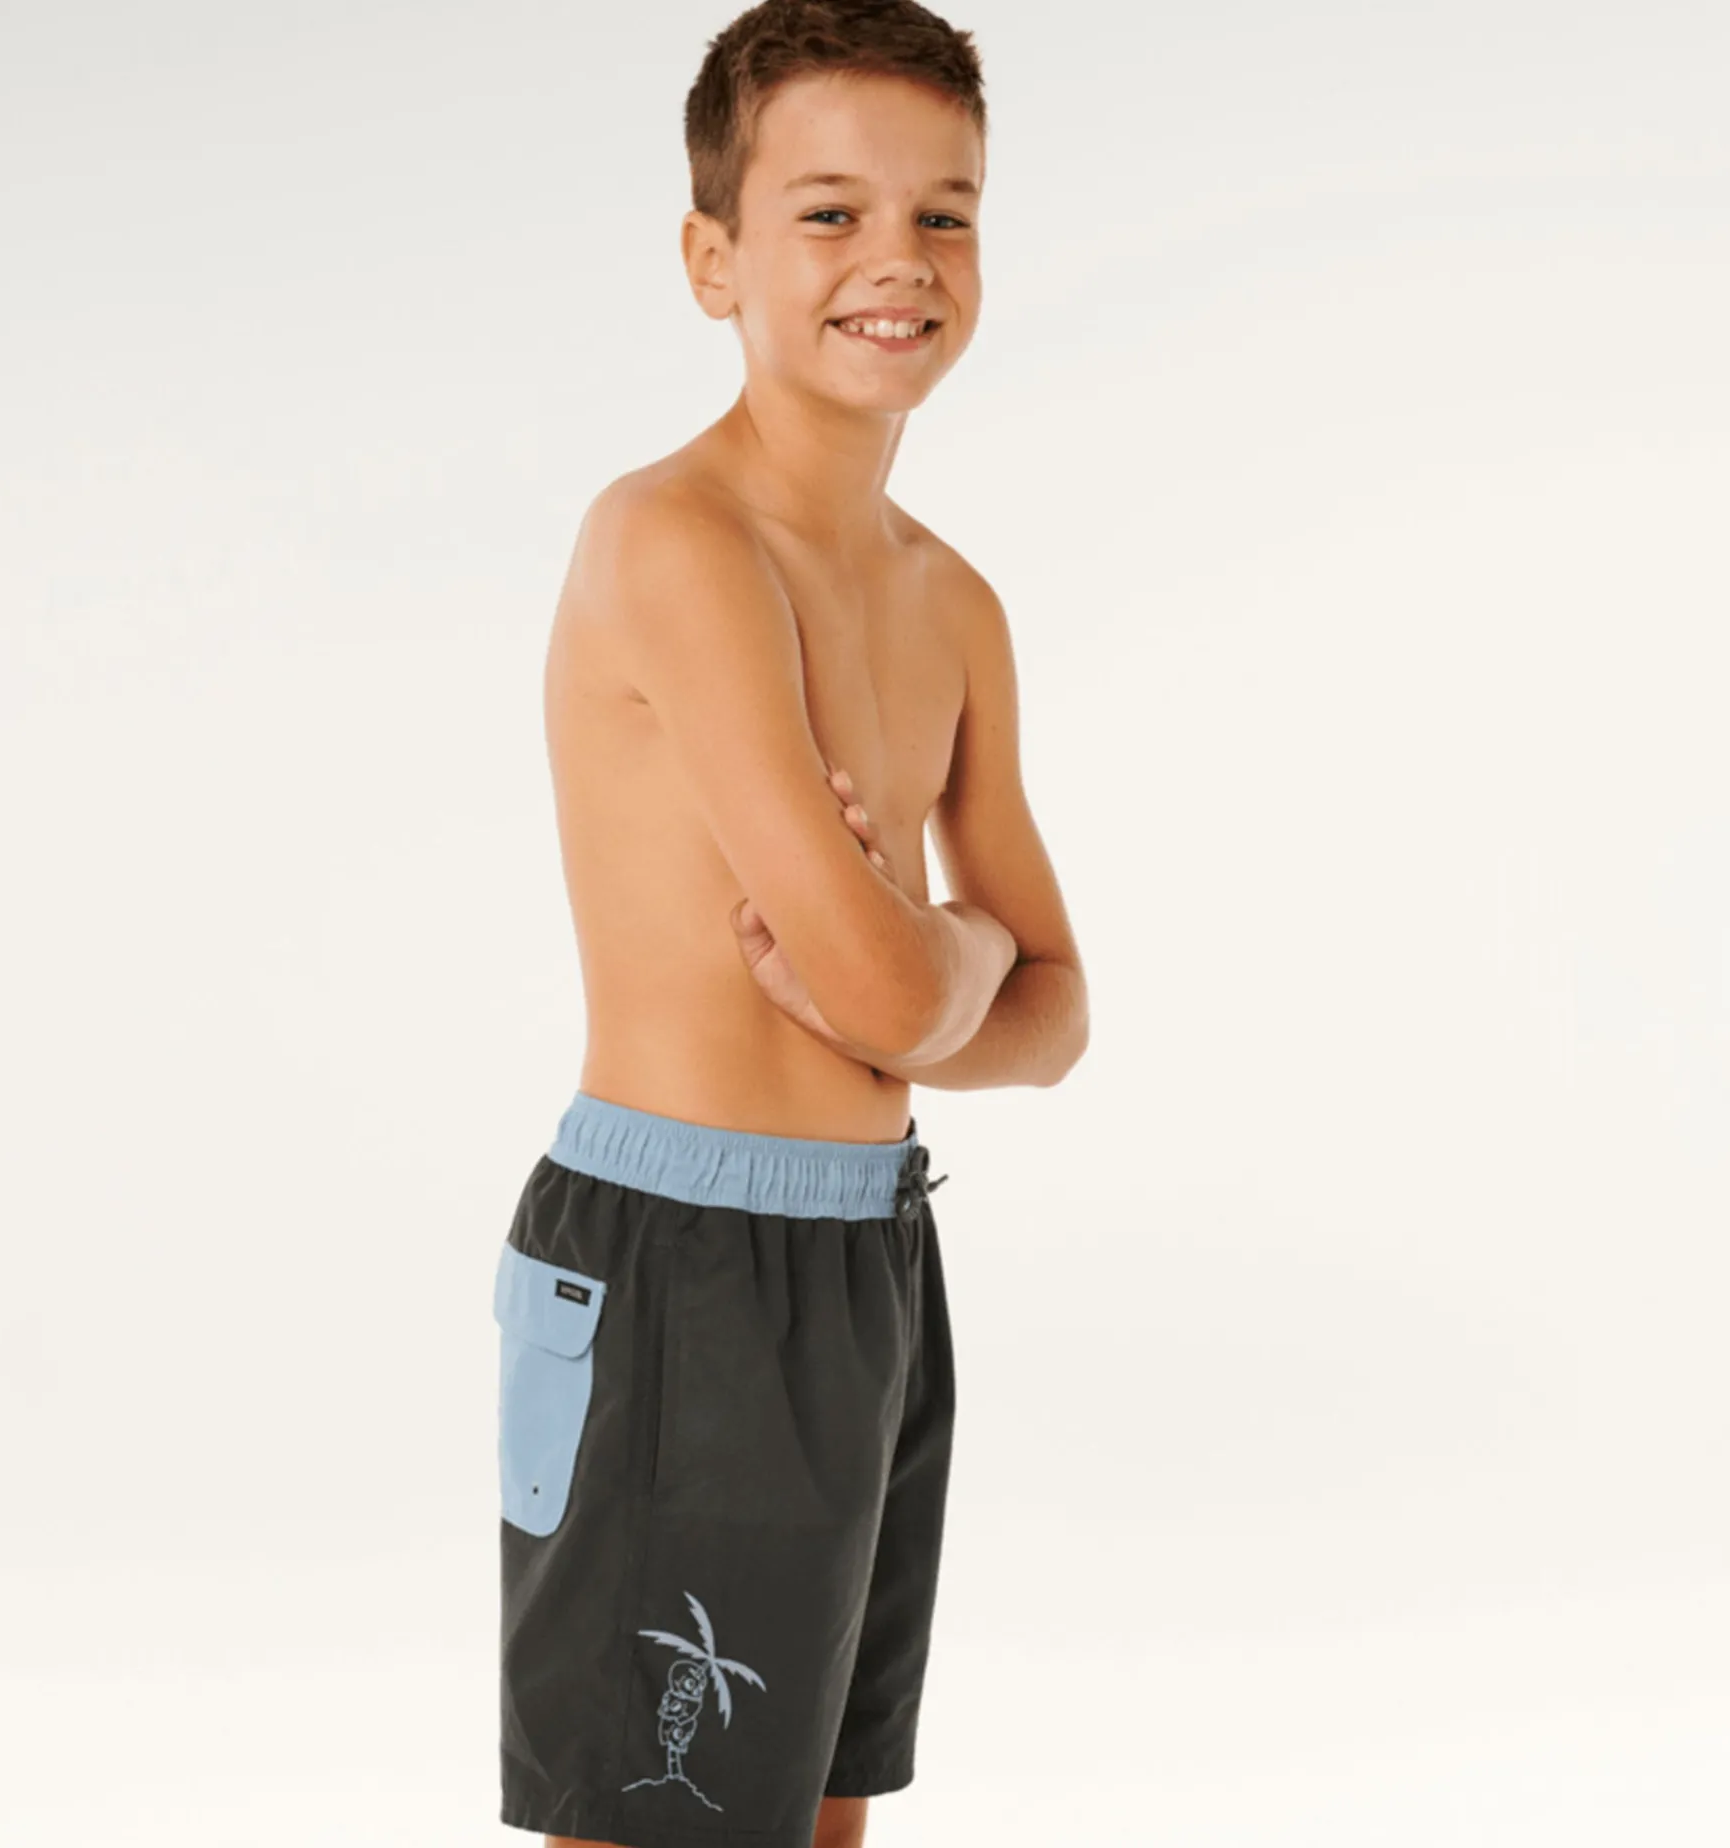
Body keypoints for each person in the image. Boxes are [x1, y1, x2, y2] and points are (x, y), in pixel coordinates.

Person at [492, 4, 1088, 1844]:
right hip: (681, 1266)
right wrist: (946, 957)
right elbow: (890, 989)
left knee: (823, 1810)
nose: (897, 260)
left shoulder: (956, 605)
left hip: (873, 1261)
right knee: (661, 1819)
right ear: (713, 260)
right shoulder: (673, 544)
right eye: (829, 213)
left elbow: (1052, 1014)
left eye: (943, 215)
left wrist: (942, 960)